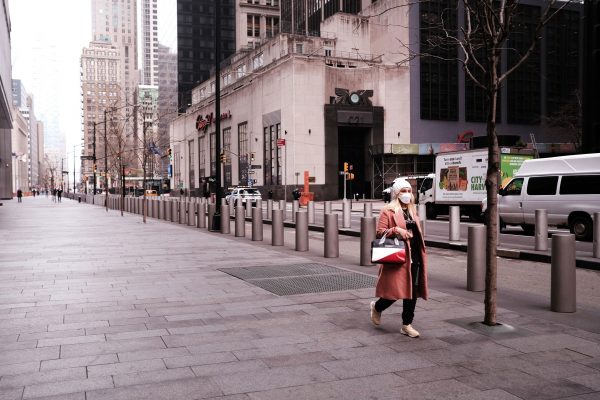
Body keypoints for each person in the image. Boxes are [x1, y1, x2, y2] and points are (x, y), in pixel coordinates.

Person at [370, 178, 428, 338]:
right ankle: (377, 307)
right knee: (395, 292)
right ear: (396, 193)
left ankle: (406, 324)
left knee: (412, 291)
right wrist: (396, 230)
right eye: (403, 191)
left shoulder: (412, 209)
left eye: (409, 191)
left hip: (414, 254)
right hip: (399, 255)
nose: (407, 194)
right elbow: (380, 232)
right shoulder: (387, 210)